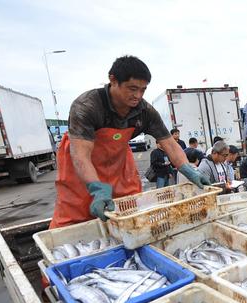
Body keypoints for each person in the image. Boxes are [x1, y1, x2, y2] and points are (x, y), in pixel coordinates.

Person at [49, 56, 209, 228]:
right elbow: (80, 155)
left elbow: (169, 143)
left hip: (119, 164)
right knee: (75, 216)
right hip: (81, 167)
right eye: (132, 89)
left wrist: (189, 170)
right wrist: (97, 188)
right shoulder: (87, 106)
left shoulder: (144, 110)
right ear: (113, 80)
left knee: (130, 213)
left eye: (143, 90)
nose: (137, 96)